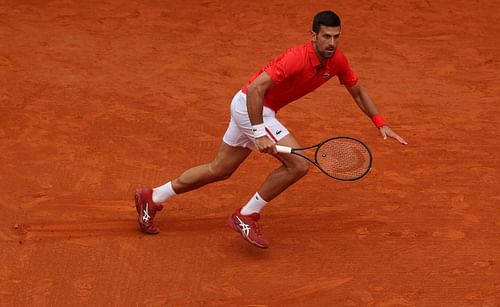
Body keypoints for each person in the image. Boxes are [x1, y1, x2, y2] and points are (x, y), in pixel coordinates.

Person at [134, 10, 407, 248]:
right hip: (252, 107)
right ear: (313, 36)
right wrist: (259, 132)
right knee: (298, 165)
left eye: (336, 37)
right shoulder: (296, 59)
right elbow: (255, 89)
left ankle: (153, 196)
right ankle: (247, 215)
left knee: (220, 169)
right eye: (326, 37)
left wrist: (381, 123)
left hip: (255, 108)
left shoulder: (337, 61)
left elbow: (357, 92)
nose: (331, 43)